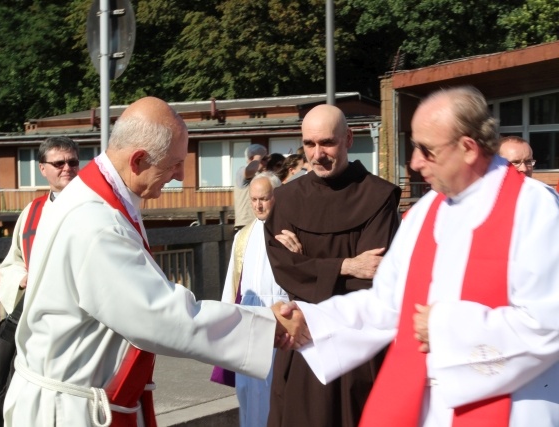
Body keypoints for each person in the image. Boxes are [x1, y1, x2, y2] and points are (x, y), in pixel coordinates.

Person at [3, 97, 307, 427]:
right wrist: (265, 325)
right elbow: (159, 314)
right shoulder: (95, 221)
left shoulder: (100, 199)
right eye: (174, 163)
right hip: (69, 411)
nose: (179, 175)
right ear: (137, 160)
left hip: (87, 399)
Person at [284, 86, 559, 426]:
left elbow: (548, 324)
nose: (414, 162)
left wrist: (444, 328)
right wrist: (311, 323)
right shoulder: (426, 211)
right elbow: (387, 305)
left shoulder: (534, 207)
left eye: (427, 150)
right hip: (428, 406)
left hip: (511, 405)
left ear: (468, 148)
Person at [264, 104, 402, 427]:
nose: (317, 154)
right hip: (303, 343)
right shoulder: (286, 199)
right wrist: (344, 265)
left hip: (355, 341)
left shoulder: (378, 197)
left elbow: (371, 276)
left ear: (349, 139)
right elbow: (285, 269)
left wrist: (308, 263)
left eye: (327, 143)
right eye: (309, 144)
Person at [219, 172, 301, 427]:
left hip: (283, 324)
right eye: (254, 199)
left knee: (280, 396)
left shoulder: (292, 233)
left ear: (276, 197)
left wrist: (298, 256)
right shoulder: (242, 237)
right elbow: (233, 285)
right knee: (250, 396)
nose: (258, 205)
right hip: (250, 326)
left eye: (264, 198)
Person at [0, 136, 79, 313]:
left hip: (82, 312)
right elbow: (13, 262)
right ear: (42, 169)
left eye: (72, 162)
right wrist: (21, 280)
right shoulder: (32, 212)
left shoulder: (96, 207)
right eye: (59, 164)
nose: (67, 168)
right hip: (41, 313)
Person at [234, 144, 267, 231]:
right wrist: (258, 157)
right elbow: (250, 170)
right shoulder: (241, 171)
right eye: (263, 159)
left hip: (258, 223)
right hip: (246, 224)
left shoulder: (261, 175)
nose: (266, 162)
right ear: (252, 158)